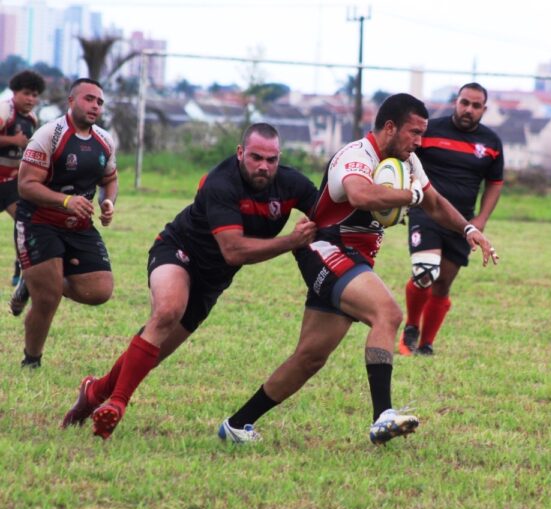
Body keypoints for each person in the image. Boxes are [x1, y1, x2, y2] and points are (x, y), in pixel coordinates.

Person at [218, 93, 499, 446]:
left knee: (310, 357)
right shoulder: (355, 155)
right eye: (413, 133)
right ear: (391, 127)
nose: (418, 142)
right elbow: (361, 196)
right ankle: (383, 416)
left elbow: (436, 203)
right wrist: (409, 197)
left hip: (354, 258)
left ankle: (236, 424)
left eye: (422, 134)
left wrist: (470, 230)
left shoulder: (407, 161)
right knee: (388, 313)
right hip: (325, 249)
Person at [60, 122, 318, 439]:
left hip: (211, 283)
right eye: (255, 157)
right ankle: (117, 403)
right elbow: (234, 251)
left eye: (271, 159)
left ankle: (94, 391)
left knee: (151, 354)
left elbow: (327, 214)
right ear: (240, 153)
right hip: (178, 251)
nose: (264, 166)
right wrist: (291, 241)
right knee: (168, 311)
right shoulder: (221, 183)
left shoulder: (291, 184)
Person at [13, 78, 118, 368]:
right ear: (71, 101)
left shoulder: (104, 140)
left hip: (79, 225)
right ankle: (31, 360)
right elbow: (26, 185)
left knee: (99, 292)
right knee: (47, 299)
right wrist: (65, 201)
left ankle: (30, 281)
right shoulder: (50, 135)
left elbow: (110, 179)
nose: (95, 105)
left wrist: (108, 202)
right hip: (39, 221)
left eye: (99, 101)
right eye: (89, 99)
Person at [398, 82, 504, 356]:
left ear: (484, 109)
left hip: (462, 221)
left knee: (443, 283)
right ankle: (411, 327)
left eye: (476, 105)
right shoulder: (430, 130)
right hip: (427, 211)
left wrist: (481, 218)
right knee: (425, 272)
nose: (469, 109)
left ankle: (426, 345)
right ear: (455, 101)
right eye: (464, 102)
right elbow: (404, 159)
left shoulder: (491, 143)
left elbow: (495, 182)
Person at [0, 70, 46, 286]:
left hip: (10, 183)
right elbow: (16, 142)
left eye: (35, 95)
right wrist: (12, 140)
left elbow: (24, 151)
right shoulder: (4, 109)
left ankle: (21, 268)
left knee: (25, 222)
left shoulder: (31, 119)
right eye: (26, 93)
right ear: (15, 92)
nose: (31, 99)